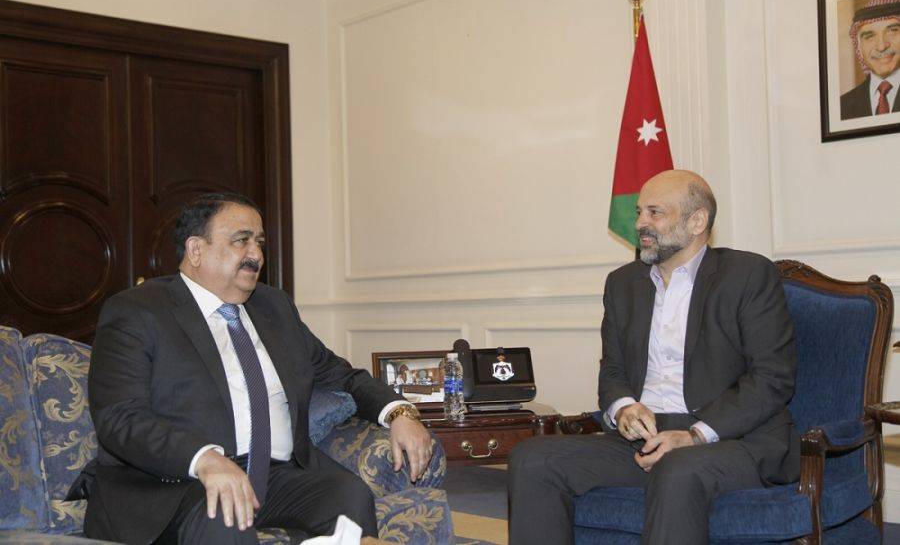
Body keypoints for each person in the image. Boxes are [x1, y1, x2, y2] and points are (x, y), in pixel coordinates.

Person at [82, 193, 433, 545]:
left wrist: (399, 413)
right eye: (241, 240)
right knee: (223, 513)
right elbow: (119, 417)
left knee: (347, 495)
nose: (257, 255)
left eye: (259, 243)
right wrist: (204, 459)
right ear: (196, 250)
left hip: (274, 474)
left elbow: (341, 375)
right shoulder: (137, 311)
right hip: (178, 482)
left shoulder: (273, 306)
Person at [508, 170, 798, 545]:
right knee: (531, 459)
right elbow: (612, 370)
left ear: (697, 221)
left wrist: (695, 435)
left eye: (655, 212)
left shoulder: (747, 275)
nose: (640, 223)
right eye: (639, 212)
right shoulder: (623, 283)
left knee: (677, 468)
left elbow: (772, 378)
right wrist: (624, 408)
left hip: (732, 439)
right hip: (644, 438)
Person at [840, 0, 900, 119]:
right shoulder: (842, 106)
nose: (881, 47)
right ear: (859, 47)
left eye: (892, 31)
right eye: (869, 36)